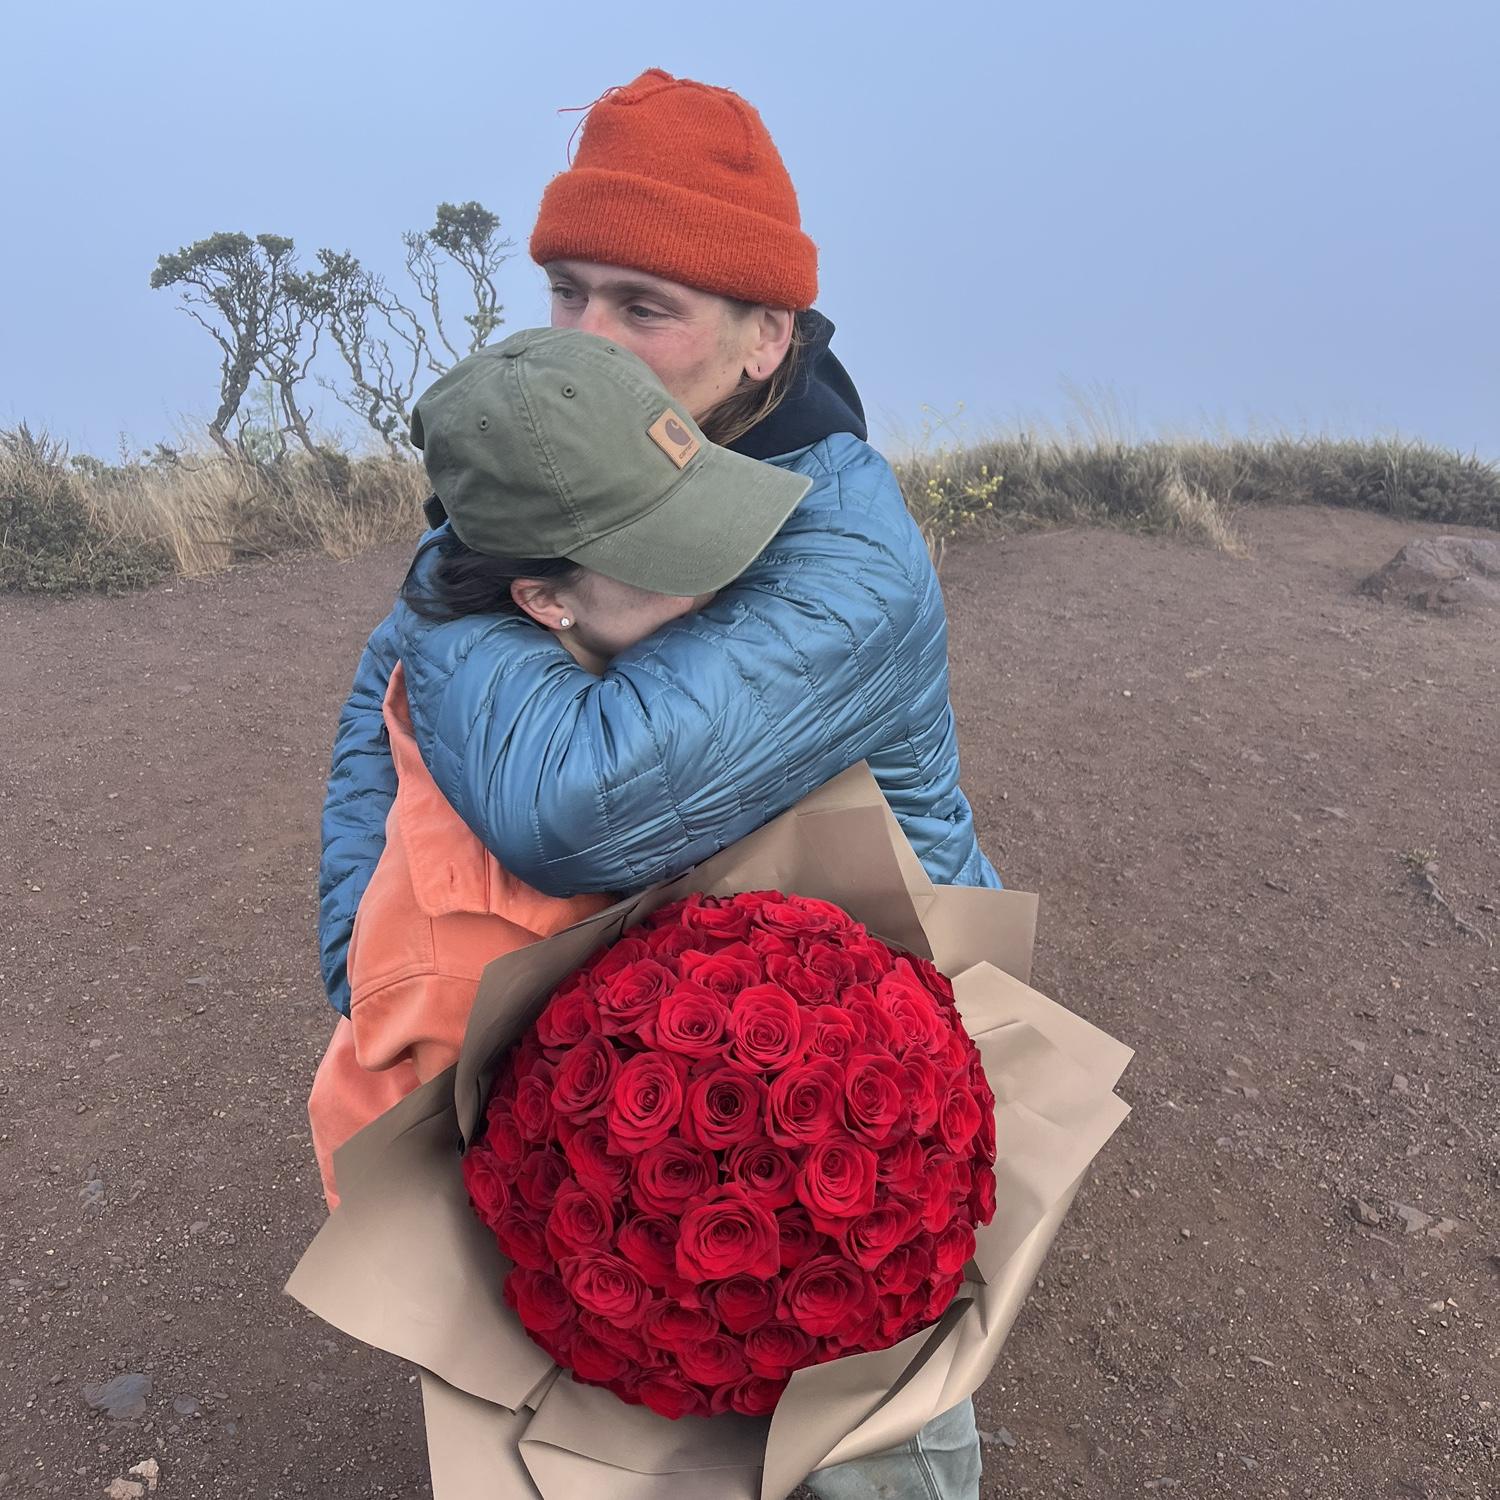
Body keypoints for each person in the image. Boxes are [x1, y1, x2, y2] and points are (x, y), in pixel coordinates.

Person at [318, 67, 995, 1500]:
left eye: (645, 305)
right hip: (649, 1072)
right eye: (568, 290)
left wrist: (457, 599)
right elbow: (371, 749)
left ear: (767, 340)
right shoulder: (556, 495)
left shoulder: (844, 549)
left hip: (854, 1059)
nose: (590, 340)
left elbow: (577, 797)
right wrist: (372, 972)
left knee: (860, 1409)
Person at [308, 326, 810, 1209]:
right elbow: (439, 1201)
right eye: (670, 558)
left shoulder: (608, 678)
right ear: (544, 602)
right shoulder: (465, 948)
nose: (726, 578)